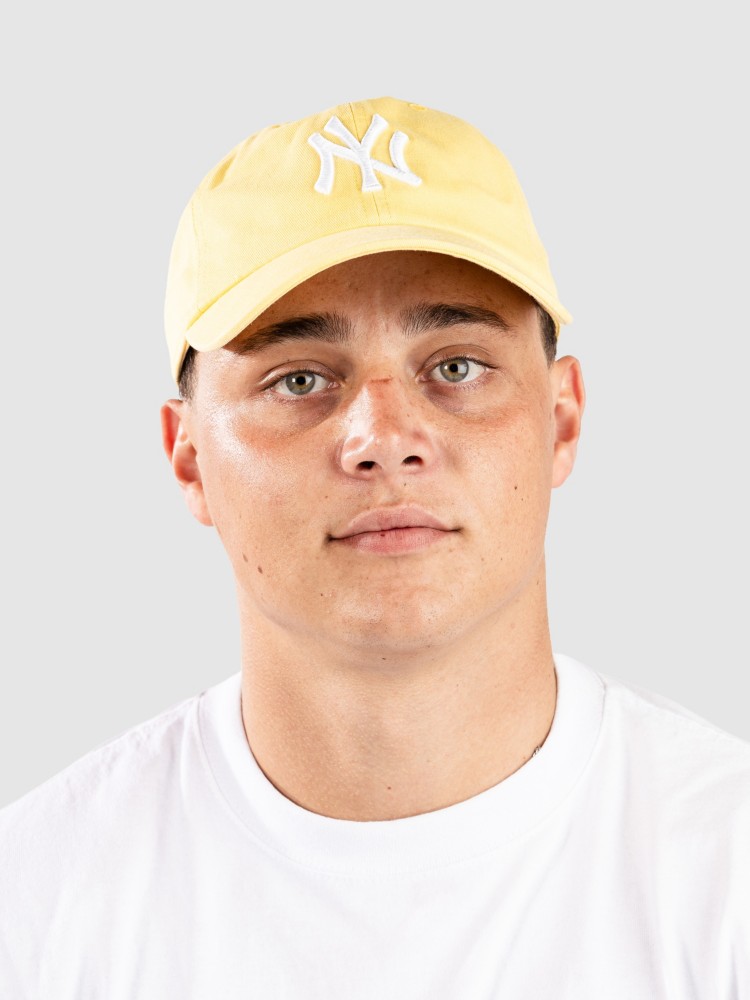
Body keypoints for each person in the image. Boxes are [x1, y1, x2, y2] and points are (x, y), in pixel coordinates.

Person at [1, 96, 748, 998]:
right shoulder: (37, 908)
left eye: (457, 366)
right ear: (188, 457)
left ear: (561, 420)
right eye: (300, 380)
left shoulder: (725, 873)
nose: (385, 438)